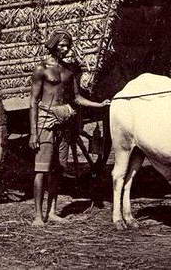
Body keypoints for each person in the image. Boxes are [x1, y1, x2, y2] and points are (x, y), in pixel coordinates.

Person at [29, 29, 110, 226]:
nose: (65, 49)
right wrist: (33, 133)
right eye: (61, 45)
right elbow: (33, 101)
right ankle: (38, 216)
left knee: (58, 169)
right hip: (45, 124)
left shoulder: (69, 70)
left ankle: (53, 211)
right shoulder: (41, 70)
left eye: (67, 45)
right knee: (42, 170)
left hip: (64, 125)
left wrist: (99, 105)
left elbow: (76, 98)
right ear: (53, 44)